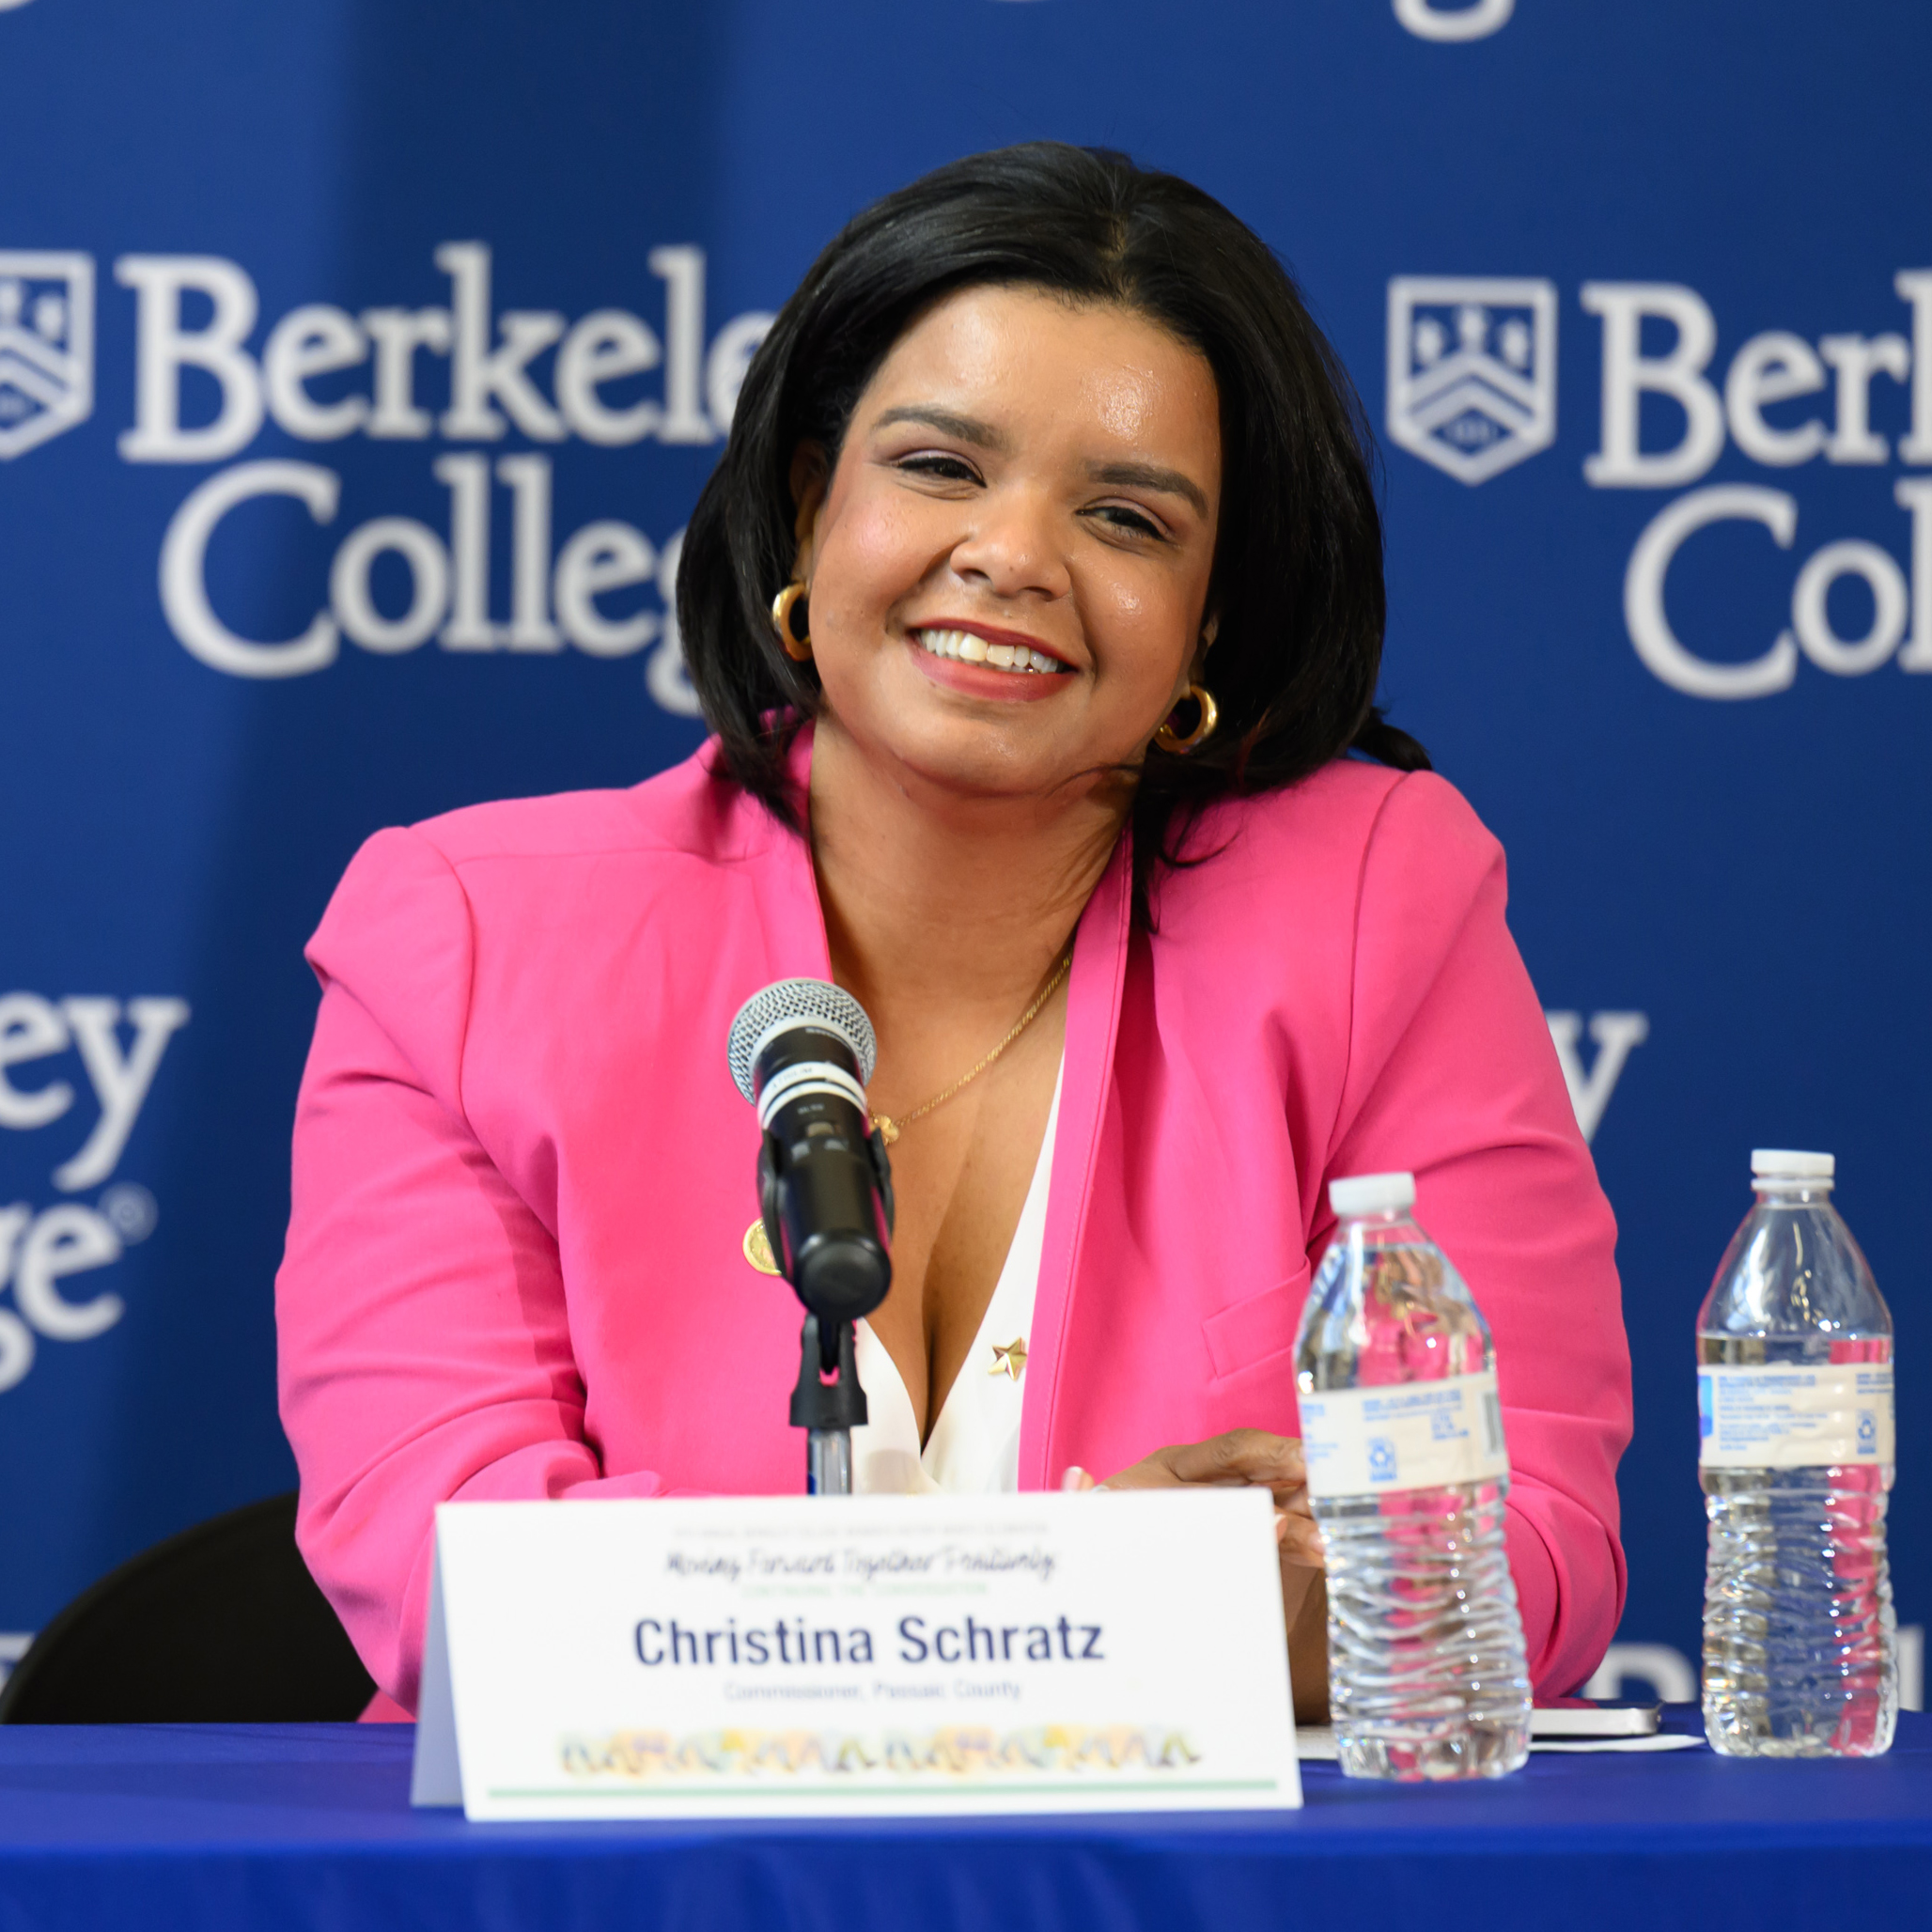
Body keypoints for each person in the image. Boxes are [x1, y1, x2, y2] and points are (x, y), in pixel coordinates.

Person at [277, 144, 1630, 1722]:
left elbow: (1536, 1559)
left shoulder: (1373, 901)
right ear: (808, 499)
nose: (1013, 556)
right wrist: (1098, 1605)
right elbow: (463, 1592)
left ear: (1212, 610)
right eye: (938, 467)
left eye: (1126, 518)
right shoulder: (467, 940)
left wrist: (1333, 1607)